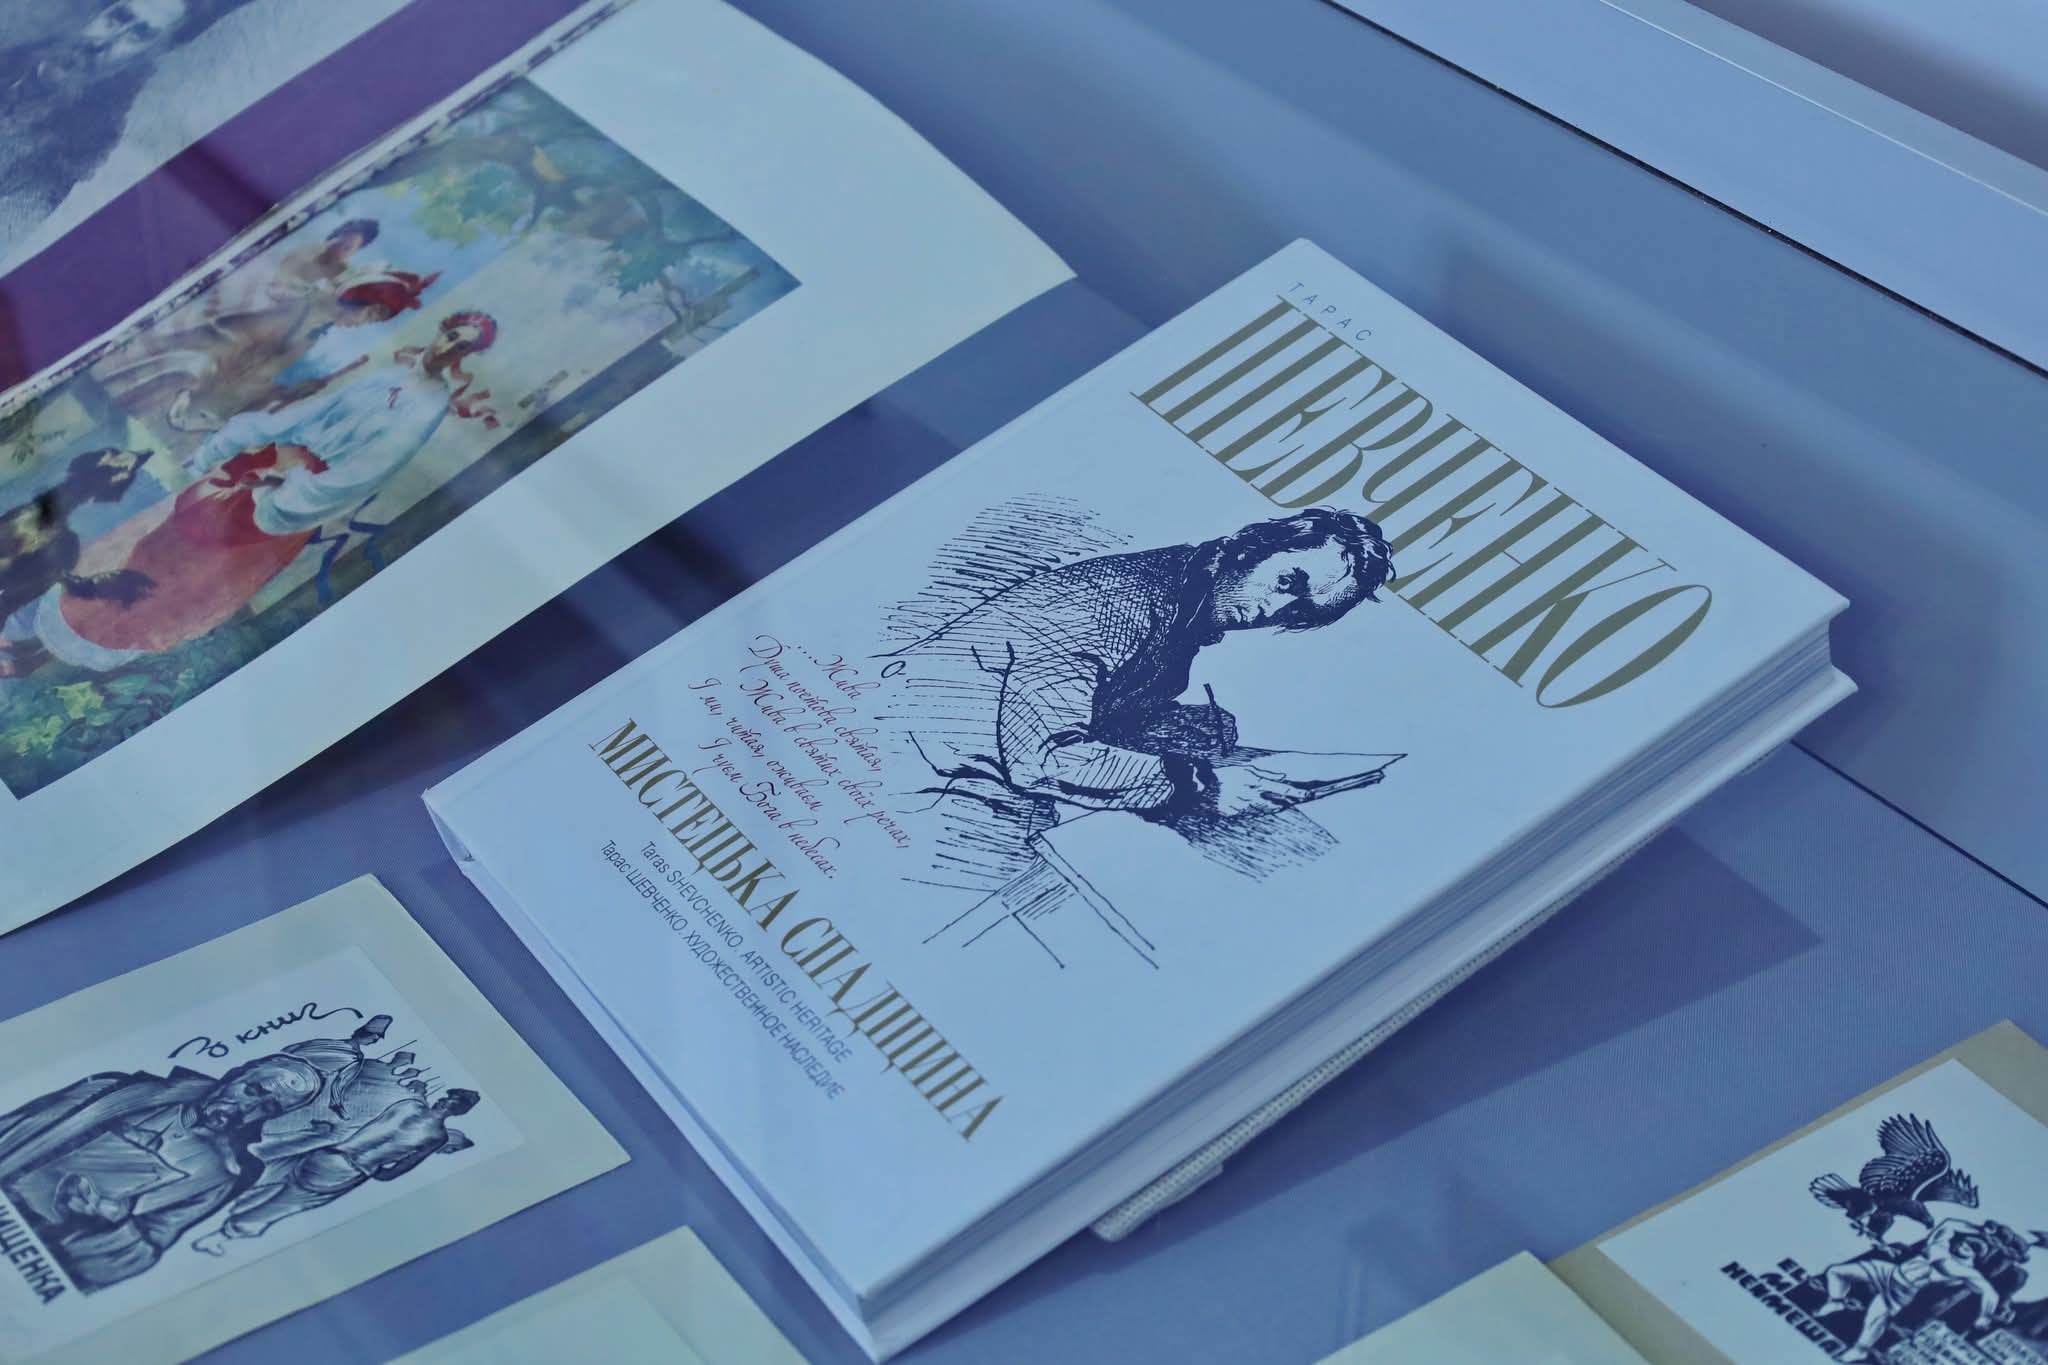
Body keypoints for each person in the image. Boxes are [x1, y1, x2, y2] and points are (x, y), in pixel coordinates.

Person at [883, 508, 1395, 894]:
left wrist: (1178, 725)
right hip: (916, 789)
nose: (1274, 610)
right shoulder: (1111, 604)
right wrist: (1202, 781)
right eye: (1287, 582)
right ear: (1251, 548)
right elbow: (1043, 757)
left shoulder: (1183, 598)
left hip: (974, 782)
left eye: (1301, 611)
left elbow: (1101, 707)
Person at [27, 313, 499, 668]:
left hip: (286, 500)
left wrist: (285, 499)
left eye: (463, 346)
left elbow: (370, 468)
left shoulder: (430, 403)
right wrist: (240, 442)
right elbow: (310, 413)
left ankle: (95, 643)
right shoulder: (390, 375)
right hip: (259, 469)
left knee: (191, 583)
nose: (450, 346)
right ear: (442, 332)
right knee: (152, 549)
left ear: (465, 356)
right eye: (452, 335)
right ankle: (59, 632)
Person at [0, 1054, 322, 1289]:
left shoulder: (221, 1176)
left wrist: (115, 1224)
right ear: (234, 1076)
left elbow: (144, 1249)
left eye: (268, 1108)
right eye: (253, 1091)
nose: (248, 1108)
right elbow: (17, 1127)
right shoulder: (116, 1091)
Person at [0, 1, 258, 247]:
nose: (103, 42)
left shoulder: (81, 145)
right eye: (117, 18)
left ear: (147, 55)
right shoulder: (11, 55)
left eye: (137, 36)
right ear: (97, 13)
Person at [191, 1089, 480, 1253]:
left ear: (451, 1106)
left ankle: (219, 1226)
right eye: (449, 1099)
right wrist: (378, 1172)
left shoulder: (411, 1107)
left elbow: (385, 1141)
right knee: (284, 1201)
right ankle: (223, 1233)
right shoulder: (431, 1130)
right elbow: (402, 1166)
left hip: (334, 1156)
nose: (445, 1102)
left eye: (450, 1101)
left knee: (278, 1189)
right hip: (345, 1165)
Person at [1818, 1217, 2045, 1361]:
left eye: (1971, 1248)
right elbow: (1949, 1225)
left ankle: (1860, 1349)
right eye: (1966, 1243)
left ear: (1976, 1257)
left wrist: (1984, 1316)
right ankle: (1835, 1301)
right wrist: (1980, 1230)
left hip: (1900, 1291)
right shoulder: (1939, 1248)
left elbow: (1989, 1292)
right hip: (1887, 1272)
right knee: (1837, 1272)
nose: (1965, 1247)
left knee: (1875, 1318)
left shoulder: (1963, 1270)